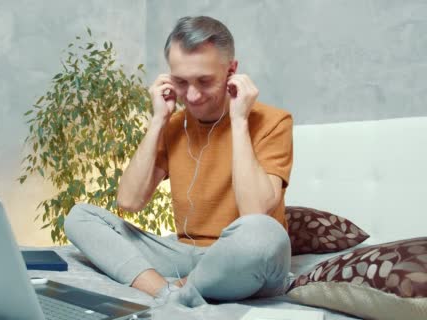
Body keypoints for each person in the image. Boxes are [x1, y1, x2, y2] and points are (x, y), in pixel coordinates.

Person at [64, 16, 293, 307]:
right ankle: (168, 294)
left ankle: (184, 288)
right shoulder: (173, 125)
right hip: (184, 253)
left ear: (231, 71)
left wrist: (239, 120)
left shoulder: (274, 122)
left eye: (205, 81)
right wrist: (158, 120)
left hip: (245, 257)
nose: (193, 96)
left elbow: (254, 213)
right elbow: (129, 201)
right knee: (80, 216)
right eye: (181, 82)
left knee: (263, 236)